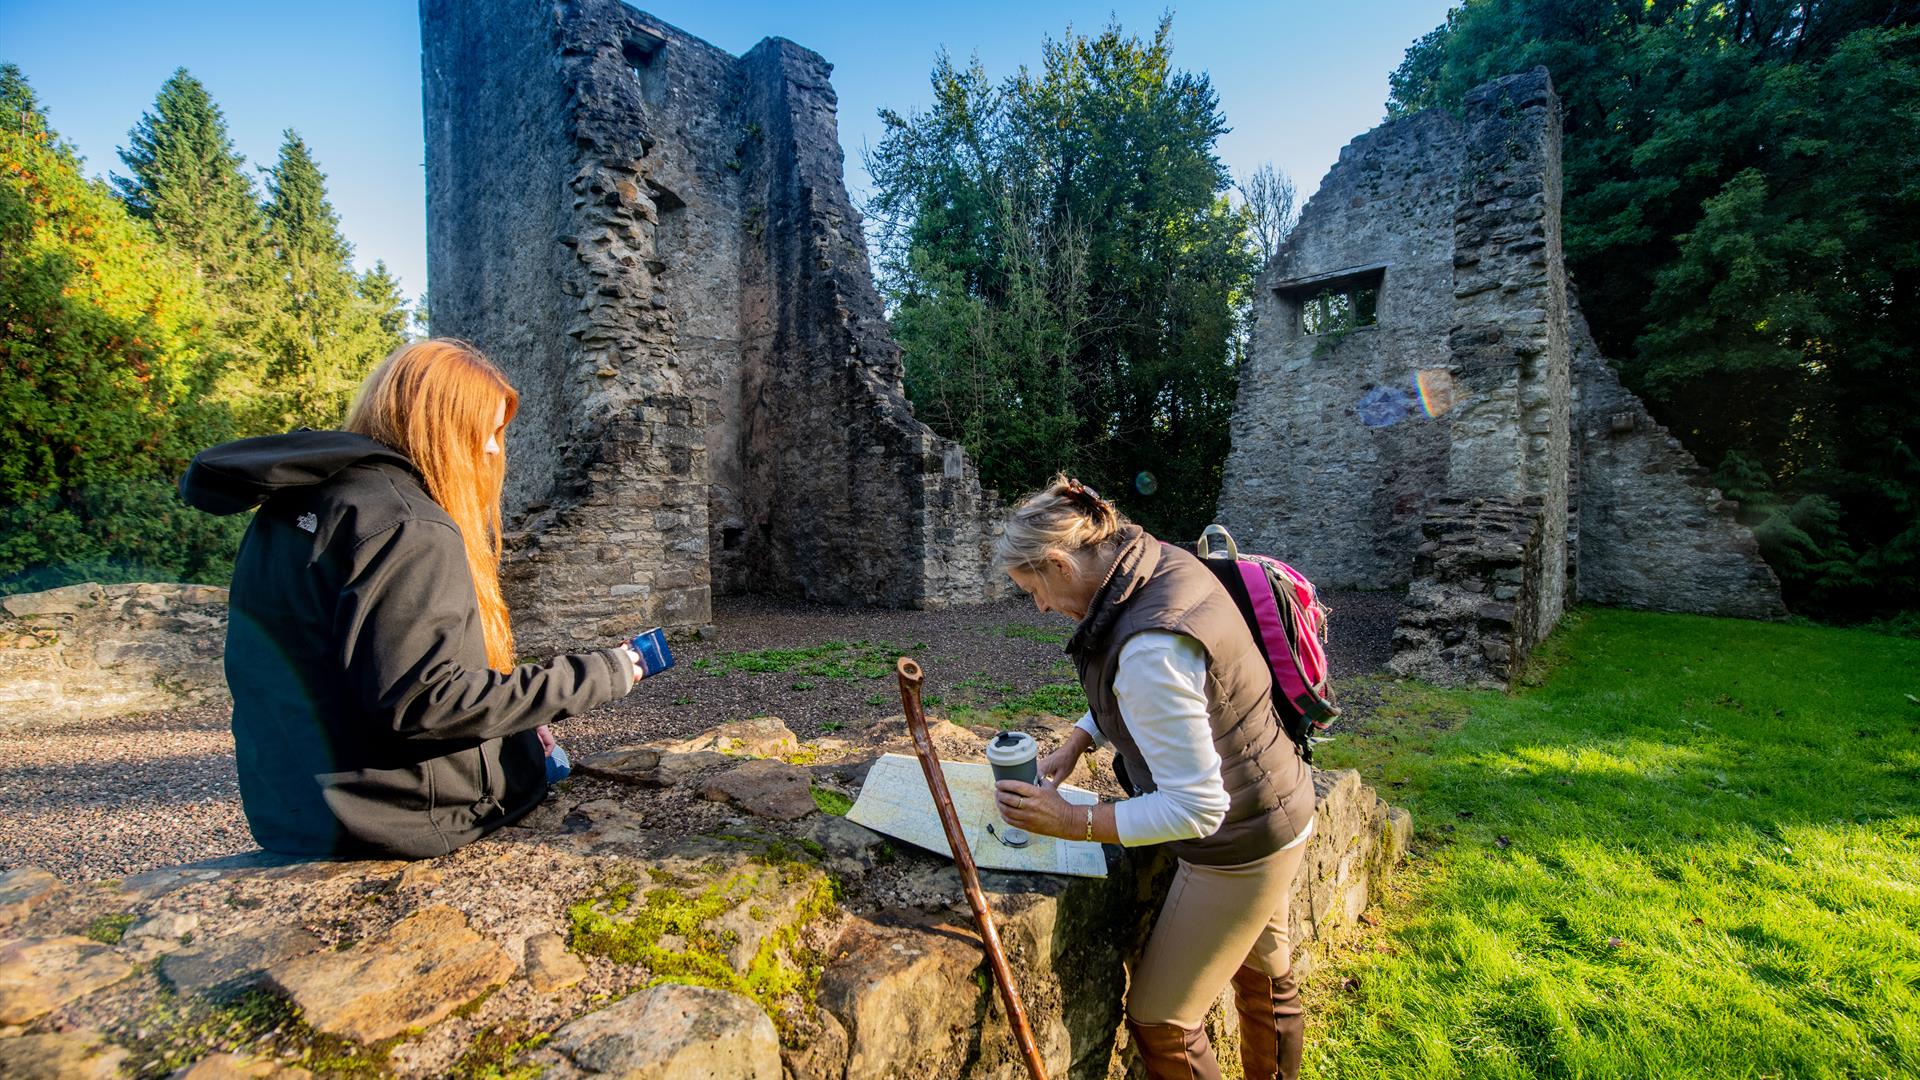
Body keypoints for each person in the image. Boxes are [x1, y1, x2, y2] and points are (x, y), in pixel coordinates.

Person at [180, 339, 647, 860]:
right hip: (393, 816)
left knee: (530, 741)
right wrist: (608, 671)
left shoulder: (295, 500)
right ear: (440, 428)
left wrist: (516, 726)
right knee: (554, 765)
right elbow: (428, 703)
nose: (494, 450)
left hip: (292, 804)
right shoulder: (408, 524)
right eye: (487, 432)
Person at [992, 476, 1317, 1080]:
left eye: (1033, 589)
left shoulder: (1149, 645)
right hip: (1279, 797)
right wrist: (1080, 739)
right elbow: (1163, 693)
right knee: (1265, 975)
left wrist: (1073, 821)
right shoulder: (1154, 563)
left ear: (1061, 562)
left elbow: (1196, 808)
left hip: (1238, 843)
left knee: (1161, 1019)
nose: (1037, 606)